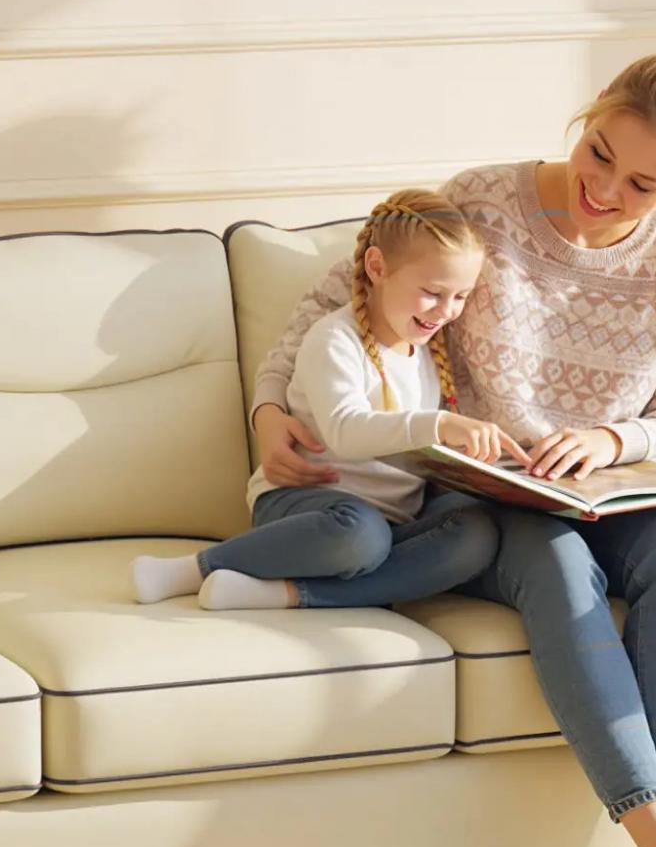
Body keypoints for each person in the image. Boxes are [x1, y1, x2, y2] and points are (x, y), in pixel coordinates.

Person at [248, 35, 656, 847]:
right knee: (561, 571)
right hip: (485, 490)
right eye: (599, 156)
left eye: (643, 184)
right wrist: (271, 409)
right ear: (588, 118)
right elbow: (336, 300)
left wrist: (614, 442)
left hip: (604, 477)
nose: (604, 191)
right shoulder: (484, 200)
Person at [133, 191, 512, 613]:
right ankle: (194, 569)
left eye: (460, 297)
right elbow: (346, 430)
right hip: (307, 506)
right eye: (433, 292)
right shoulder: (333, 340)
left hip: (391, 523)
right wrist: (438, 424)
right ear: (377, 267)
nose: (447, 311)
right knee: (360, 537)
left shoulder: (425, 351)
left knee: (476, 534)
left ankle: (285, 595)